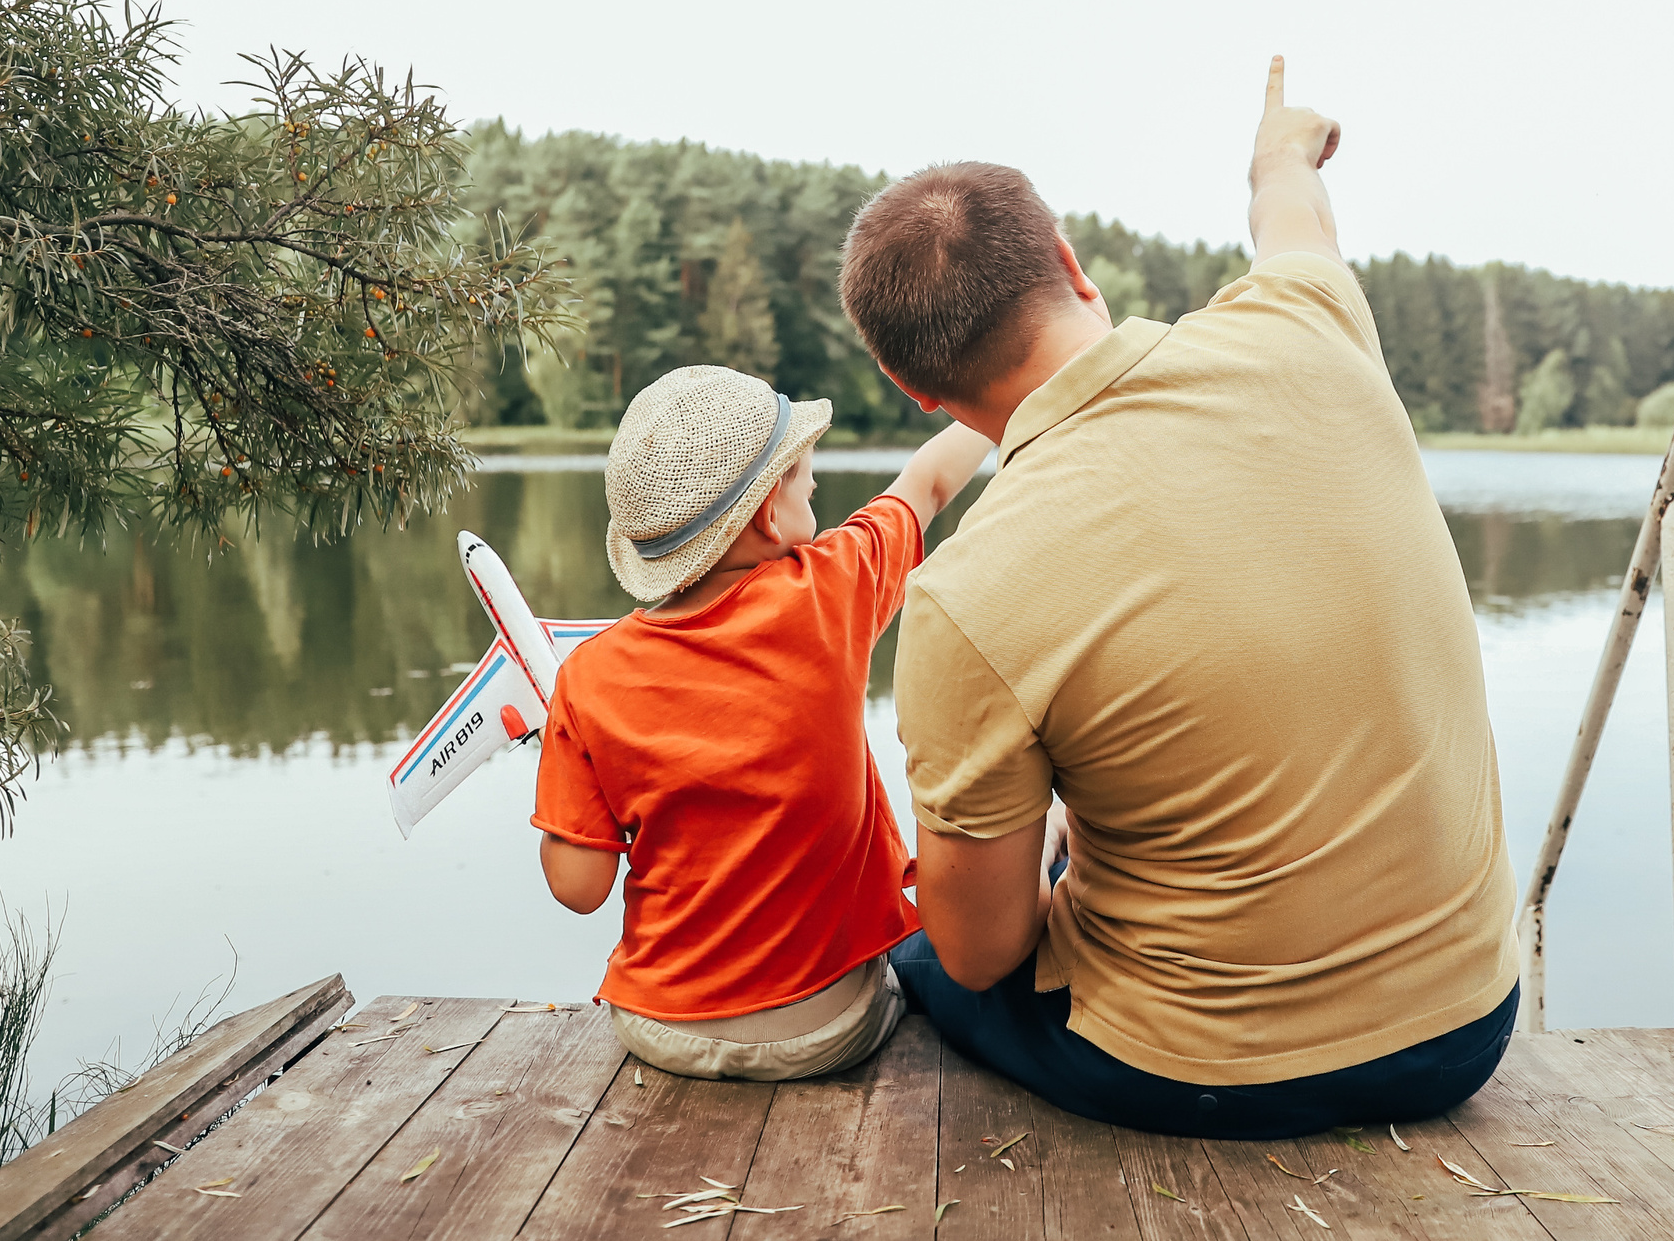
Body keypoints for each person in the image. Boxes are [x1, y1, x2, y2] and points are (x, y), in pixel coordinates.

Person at [837, 58, 1518, 1139]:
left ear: (917, 393)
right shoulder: (1309, 323)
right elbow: (1291, 221)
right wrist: (1277, 151)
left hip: (1208, 1070)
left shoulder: (964, 594)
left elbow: (983, 953)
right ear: (1071, 265)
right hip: (1470, 1026)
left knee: (924, 953)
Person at [530, 363, 990, 1081]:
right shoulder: (832, 589)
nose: (815, 484)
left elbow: (578, 887)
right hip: (825, 1030)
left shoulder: (586, 676)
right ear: (770, 516)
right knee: (931, 945)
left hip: (659, 1031)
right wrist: (1012, 400)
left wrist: (558, 754)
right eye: (803, 471)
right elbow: (928, 484)